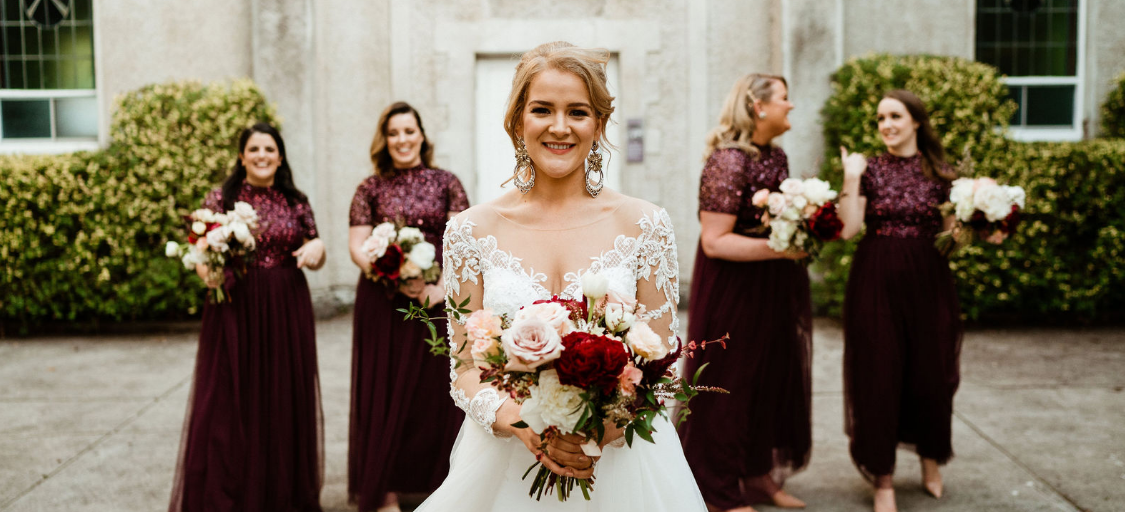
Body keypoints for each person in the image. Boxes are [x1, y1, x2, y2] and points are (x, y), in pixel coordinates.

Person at [414, 41, 706, 511]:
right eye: (542, 109)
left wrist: (602, 427)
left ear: (599, 124)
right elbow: (465, 368)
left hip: (623, 463)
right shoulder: (469, 231)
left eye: (577, 112)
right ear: (517, 122)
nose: (559, 127)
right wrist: (524, 425)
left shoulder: (645, 224)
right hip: (506, 461)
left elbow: (662, 363)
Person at [169, 122, 326, 512]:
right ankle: (229, 494)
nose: (261, 156)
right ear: (242, 156)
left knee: (283, 395)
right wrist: (205, 269)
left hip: (286, 305)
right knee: (230, 397)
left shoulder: (296, 200)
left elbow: (315, 247)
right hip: (235, 307)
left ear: (280, 156)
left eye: (269, 149)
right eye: (254, 149)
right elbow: (199, 247)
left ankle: (281, 493)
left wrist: (316, 250)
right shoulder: (221, 197)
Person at [677, 73, 812, 512]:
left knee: (769, 382)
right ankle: (717, 490)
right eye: (785, 99)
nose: (791, 106)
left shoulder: (778, 156)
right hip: (734, 292)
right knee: (727, 388)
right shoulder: (729, 161)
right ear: (759, 107)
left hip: (773, 288)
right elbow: (715, 240)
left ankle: (756, 476)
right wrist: (784, 248)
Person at [837, 90, 963, 512]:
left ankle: (931, 460)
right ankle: (883, 479)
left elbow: (953, 240)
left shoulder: (942, 171)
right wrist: (850, 177)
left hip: (929, 283)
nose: (886, 124)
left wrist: (981, 218)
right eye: (880, 118)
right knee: (878, 376)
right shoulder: (869, 168)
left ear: (916, 121)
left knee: (932, 375)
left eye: (894, 115)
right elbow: (848, 229)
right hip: (875, 281)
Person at [347, 102, 469, 512]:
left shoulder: (447, 182)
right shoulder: (369, 188)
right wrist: (393, 274)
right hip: (383, 304)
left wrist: (440, 286)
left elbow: (463, 245)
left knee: (439, 393)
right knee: (381, 392)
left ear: (421, 135)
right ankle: (385, 492)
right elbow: (358, 247)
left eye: (408, 131)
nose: (402, 139)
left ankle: (446, 486)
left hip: (436, 301)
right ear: (385, 140)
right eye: (394, 133)